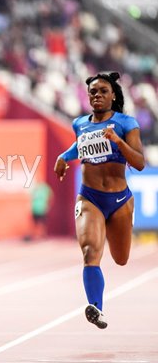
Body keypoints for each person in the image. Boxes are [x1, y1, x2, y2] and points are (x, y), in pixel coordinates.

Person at [54, 72, 145, 329]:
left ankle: (97, 303)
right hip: (89, 197)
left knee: (121, 258)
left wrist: (118, 142)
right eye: (93, 91)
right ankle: (96, 307)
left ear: (113, 95)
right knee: (90, 252)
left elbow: (139, 162)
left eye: (103, 91)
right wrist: (63, 156)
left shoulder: (127, 124)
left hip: (119, 200)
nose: (97, 95)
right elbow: (78, 146)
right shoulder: (79, 123)